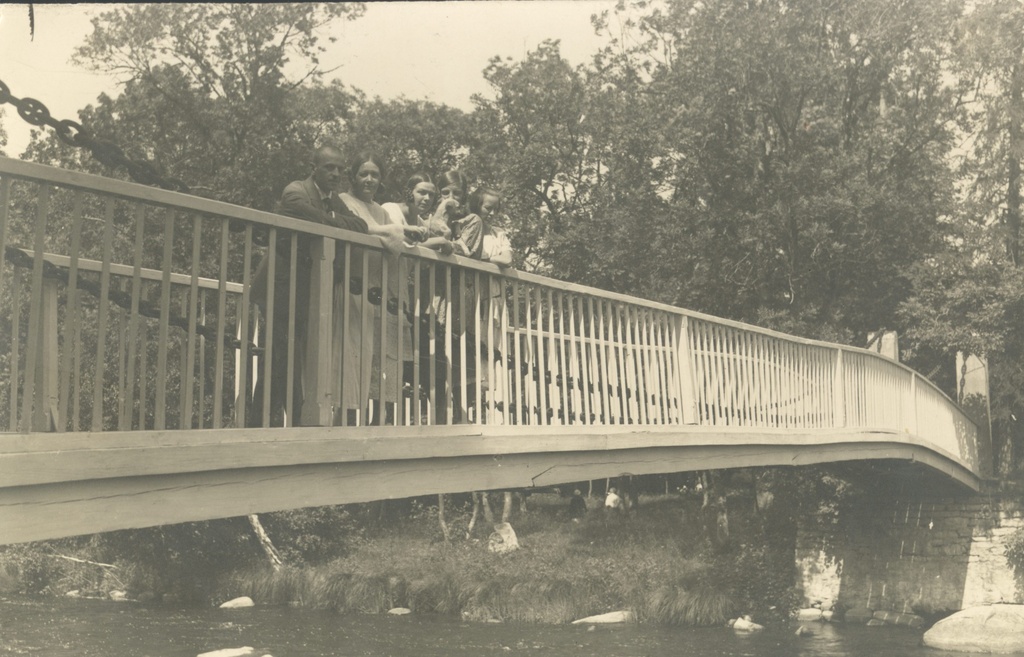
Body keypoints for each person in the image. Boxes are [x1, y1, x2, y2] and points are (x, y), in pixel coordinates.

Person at [248, 144, 368, 428]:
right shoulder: (295, 191)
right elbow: (316, 219)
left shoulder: (332, 200)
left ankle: (262, 423)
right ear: (314, 168)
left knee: (282, 357)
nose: (335, 174)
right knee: (281, 354)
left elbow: (360, 226)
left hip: (304, 292)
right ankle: (284, 421)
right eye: (329, 168)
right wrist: (336, 221)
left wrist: (333, 219)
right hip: (279, 286)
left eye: (340, 169)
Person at [338, 153, 424, 425]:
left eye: (375, 174)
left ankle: (365, 423)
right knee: (347, 357)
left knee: (370, 357)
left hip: (372, 292)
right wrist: (398, 231)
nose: (369, 179)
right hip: (347, 286)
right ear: (353, 176)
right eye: (363, 173)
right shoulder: (343, 200)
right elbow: (364, 230)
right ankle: (343, 421)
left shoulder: (381, 210)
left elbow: (391, 242)